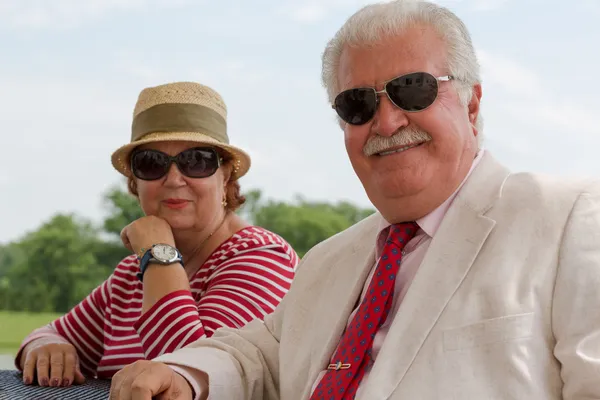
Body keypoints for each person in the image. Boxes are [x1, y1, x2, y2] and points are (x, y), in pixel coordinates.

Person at [109, 1, 600, 399]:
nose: (386, 123)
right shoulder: (329, 260)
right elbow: (257, 355)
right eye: (358, 103)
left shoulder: (570, 218)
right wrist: (185, 377)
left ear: (472, 103)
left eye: (413, 90)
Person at [15, 81, 299, 388]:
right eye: (152, 164)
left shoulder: (262, 257)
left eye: (197, 161)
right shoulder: (130, 276)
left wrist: (158, 252)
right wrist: (46, 349)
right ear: (135, 181)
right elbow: (48, 334)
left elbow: (192, 371)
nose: (174, 179)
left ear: (226, 173)